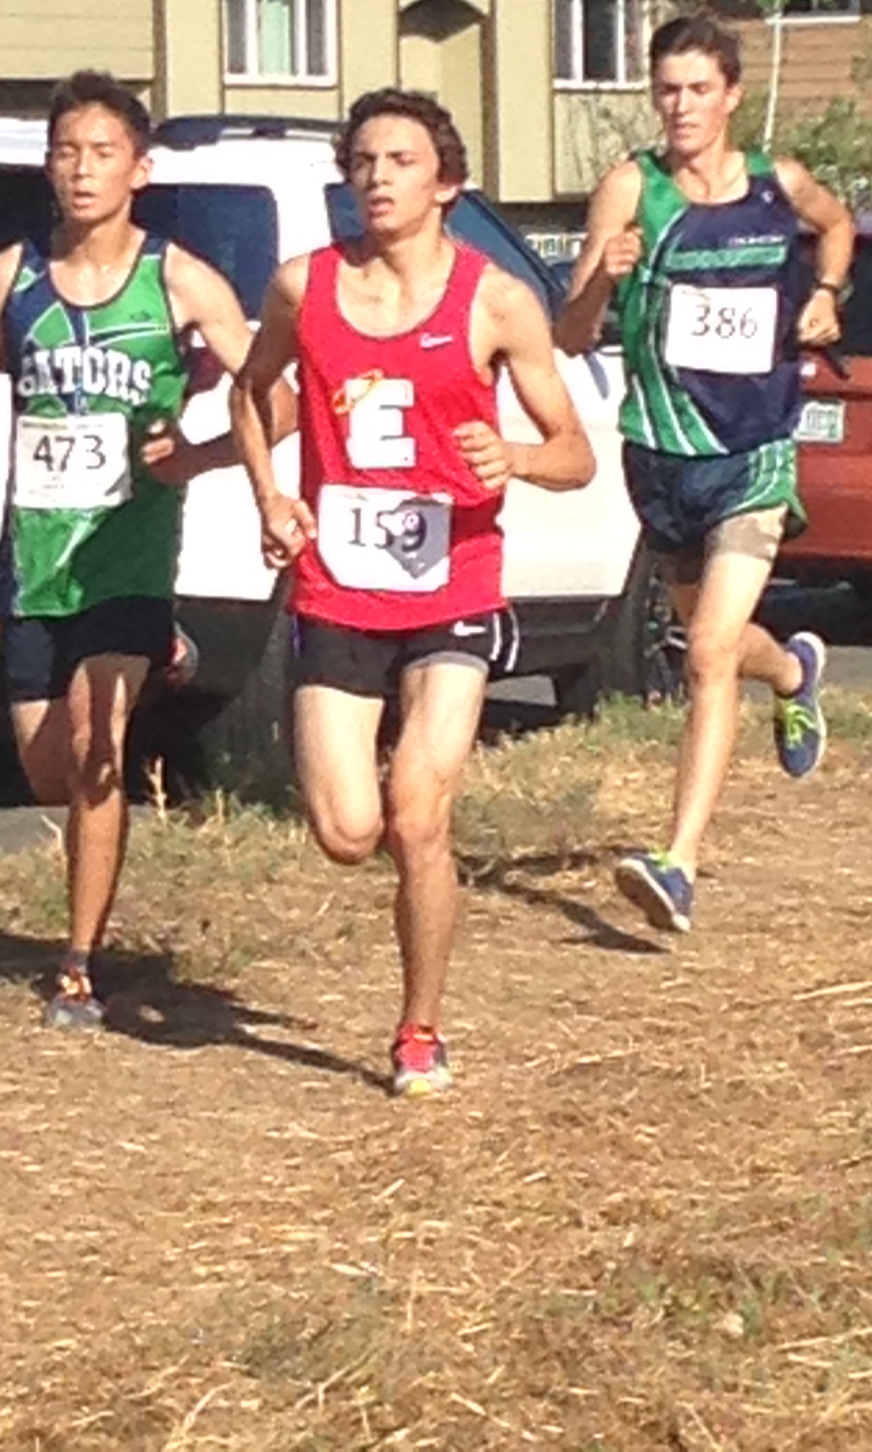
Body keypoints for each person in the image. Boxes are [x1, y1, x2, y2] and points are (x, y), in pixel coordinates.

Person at [231, 87, 596, 1098]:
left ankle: (420, 1027)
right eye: (363, 162)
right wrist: (270, 495)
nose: (377, 178)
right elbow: (250, 392)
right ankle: (415, 980)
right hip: (337, 588)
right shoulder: (304, 287)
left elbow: (575, 453)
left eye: (400, 161)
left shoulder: (495, 300)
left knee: (418, 812)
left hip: (453, 585)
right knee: (348, 831)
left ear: (447, 184)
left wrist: (516, 456)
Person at [0, 71, 255, 1029]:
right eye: (67, 152)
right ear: (47, 165)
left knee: (97, 751)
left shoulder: (180, 280)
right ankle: (168, 653)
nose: (82, 170)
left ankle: (77, 963)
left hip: (129, 552)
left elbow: (270, 395)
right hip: (38, 556)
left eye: (102, 153)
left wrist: (196, 456)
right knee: (49, 772)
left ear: (139, 170)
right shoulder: (11, 277)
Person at [558, 14, 854, 935]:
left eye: (697, 89)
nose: (681, 106)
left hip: (755, 450)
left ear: (731, 95)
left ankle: (677, 863)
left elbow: (837, 224)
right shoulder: (631, 189)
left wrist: (826, 294)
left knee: (707, 654)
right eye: (667, 90)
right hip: (663, 453)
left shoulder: (777, 183)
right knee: (714, 642)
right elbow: (570, 333)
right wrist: (602, 277)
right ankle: (794, 671)